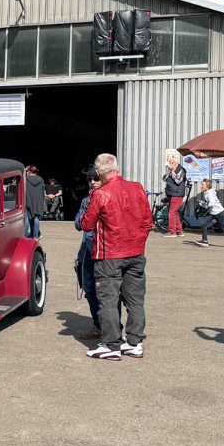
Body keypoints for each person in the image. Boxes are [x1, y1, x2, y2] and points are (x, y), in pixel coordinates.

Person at [78, 152, 152, 360]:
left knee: (108, 300)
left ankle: (111, 345)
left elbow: (86, 224)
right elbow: (148, 221)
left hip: (109, 254)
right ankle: (135, 342)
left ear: (99, 173)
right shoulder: (137, 188)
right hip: (136, 252)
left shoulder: (100, 194)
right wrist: (139, 239)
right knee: (135, 300)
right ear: (117, 168)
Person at [74, 170, 102, 339]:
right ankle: (98, 326)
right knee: (90, 291)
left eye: (96, 179)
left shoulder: (109, 199)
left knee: (110, 293)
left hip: (105, 252)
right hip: (86, 252)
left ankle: (115, 328)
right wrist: (88, 210)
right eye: (90, 179)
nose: (92, 182)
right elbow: (78, 224)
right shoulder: (86, 200)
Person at [192, 178, 224, 247]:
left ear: (207, 186)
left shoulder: (210, 194)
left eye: (202, 184)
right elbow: (209, 203)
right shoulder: (207, 193)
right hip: (212, 212)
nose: (201, 186)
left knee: (223, 226)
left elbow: (211, 204)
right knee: (203, 223)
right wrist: (201, 203)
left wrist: (204, 205)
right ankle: (205, 241)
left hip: (218, 212)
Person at [162, 151, 188, 237]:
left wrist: (173, 172)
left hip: (177, 193)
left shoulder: (181, 170)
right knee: (174, 212)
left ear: (176, 162)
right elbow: (164, 179)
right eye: (170, 163)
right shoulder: (170, 170)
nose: (170, 164)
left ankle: (172, 231)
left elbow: (178, 180)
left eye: (172, 163)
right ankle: (179, 231)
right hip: (171, 193)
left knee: (172, 212)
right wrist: (169, 171)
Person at [23, 165, 45, 239]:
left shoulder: (25, 180)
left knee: (26, 218)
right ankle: (35, 236)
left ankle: (25, 235)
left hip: (28, 200)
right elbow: (42, 192)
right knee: (36, 218)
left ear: (29, 171)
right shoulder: (41, 179)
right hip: (38, 201)